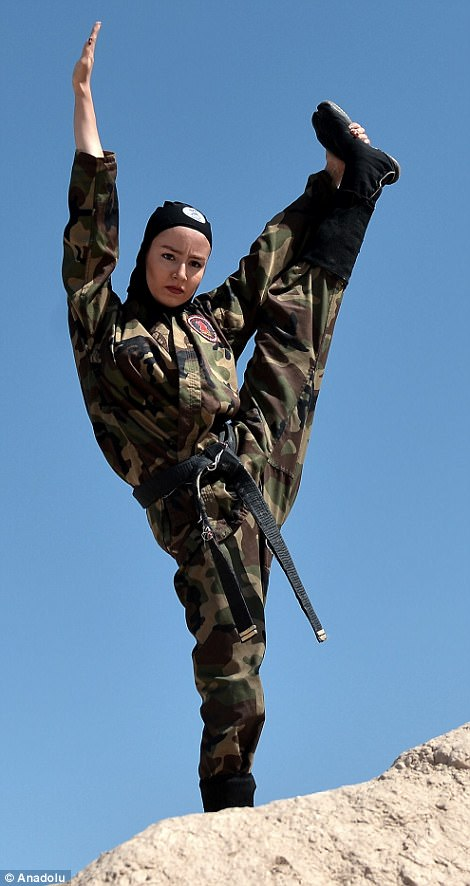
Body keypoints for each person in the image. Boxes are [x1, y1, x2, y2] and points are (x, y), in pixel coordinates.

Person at [63, 22, 399, 813]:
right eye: (168, 256)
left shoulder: (208, 322)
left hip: (246, 459)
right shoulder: (104, 328)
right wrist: (84, 106)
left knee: (291, 326)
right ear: (145, 255)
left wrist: (318, 192)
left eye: (193, 263)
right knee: (233, 658)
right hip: (198, 514)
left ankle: (353, 183)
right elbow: (88, 243)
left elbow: (260, 264)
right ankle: (228, 799)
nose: (181, 272)